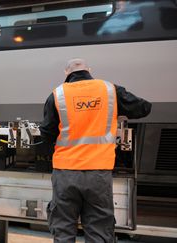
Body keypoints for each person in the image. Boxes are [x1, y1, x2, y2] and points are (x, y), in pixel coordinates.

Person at [40, 58, 151, 242]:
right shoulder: (110, 90)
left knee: (63, 229)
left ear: (66, 74)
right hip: (99, 173)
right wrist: (117, 112)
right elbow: (144, 108)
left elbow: (46, 134)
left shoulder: (58, 94)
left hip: (65, 173)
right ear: (89, 71)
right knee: (99, 229)